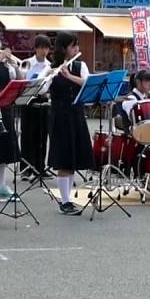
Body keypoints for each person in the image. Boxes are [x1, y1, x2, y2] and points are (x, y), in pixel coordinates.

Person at [47, 32, 94, 215]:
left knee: (73, 159)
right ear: (64, 48)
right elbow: (42, 89)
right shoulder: (52, 67)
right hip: (60, 117)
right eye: (73, 46)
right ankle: (64, 201)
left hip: (76, 115)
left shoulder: (80, 65)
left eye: (77, 45)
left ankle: (68, 199)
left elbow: (87, 83)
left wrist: (69, 76)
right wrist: (51, 75)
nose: (77, 49)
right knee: (64, 160)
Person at [0, 33, 21, 200]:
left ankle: (2, 185)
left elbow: (20, 80)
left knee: (4, 149)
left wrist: (16, 65)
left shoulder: (7, 65)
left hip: (5, 110)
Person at [19, 35, 53, 179]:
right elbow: (22, 81)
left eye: (46, 48)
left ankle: (40, 167)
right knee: (28, 135)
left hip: (43, 100)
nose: (44, 51)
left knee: (42, 136)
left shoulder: (50, 65)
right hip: (28, 100)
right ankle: (26, 168)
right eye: (41, 48)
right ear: (36, 48)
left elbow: (50, 84)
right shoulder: (27, 63)